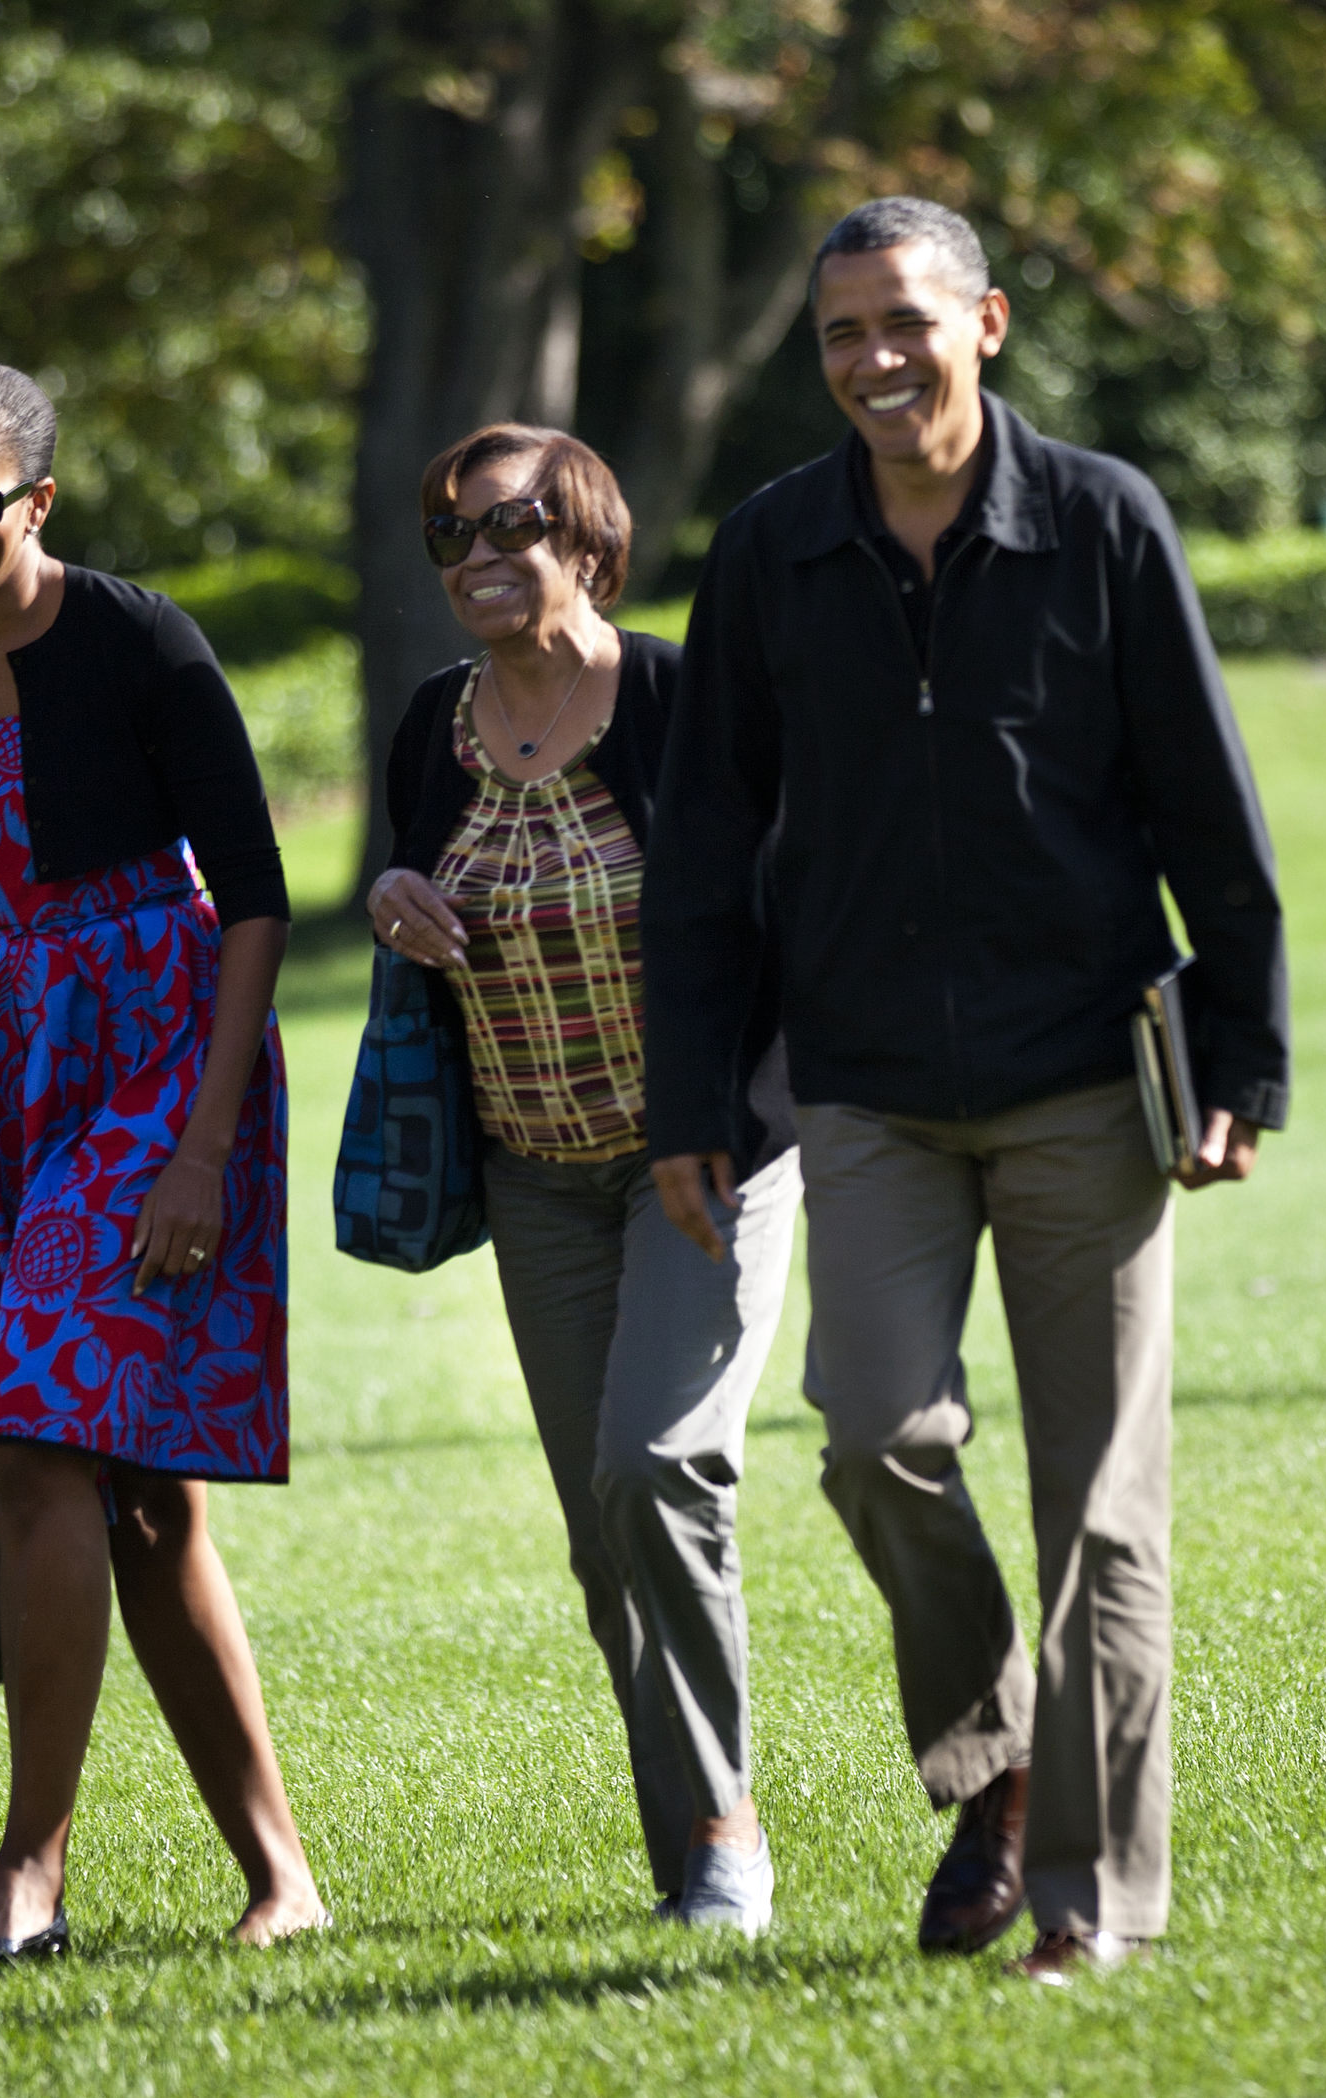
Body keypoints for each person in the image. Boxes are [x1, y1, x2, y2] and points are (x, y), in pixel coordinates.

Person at [643, 200, 1291, 1984]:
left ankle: (1092, 1900)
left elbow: (1207, 811)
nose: (874, 360)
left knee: (1102, 1510)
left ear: (986, 324)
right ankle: (997, 1751)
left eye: (906, 323)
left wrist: (1246, 1056)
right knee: (874, 1439)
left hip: (1088, 1078)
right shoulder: (772, 552)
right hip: (859, 1093)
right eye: (842, 331)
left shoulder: (1099, 523)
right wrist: (691, 1089)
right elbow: (704, 850)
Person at [0, 357, 326, 1963]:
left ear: (36, 501)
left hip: (158, 1065)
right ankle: (283, 1874)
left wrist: (201, 1148)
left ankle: (27, 1875)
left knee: (47, 1441)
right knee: (138, 1500)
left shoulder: (137, 640)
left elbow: (254, 896)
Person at [369, 424, 800, 1933]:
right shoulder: (435, 724)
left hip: (699, 1156)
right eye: (452, 536)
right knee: (598, 1524)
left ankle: (728, 1835)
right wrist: (391, 896)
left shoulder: (680, 696)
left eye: (514, 527)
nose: (480, 556)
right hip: (535, 1172)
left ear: (592, 545)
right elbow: (412, 877)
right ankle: (690, 1852)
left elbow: (780, 908)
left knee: (657, 1467)